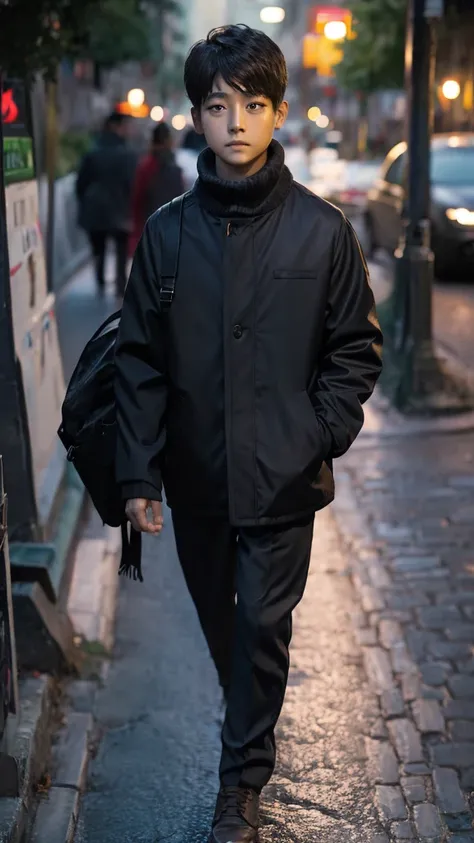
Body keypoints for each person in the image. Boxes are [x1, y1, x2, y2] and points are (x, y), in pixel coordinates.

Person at [114, 24, 382, 843]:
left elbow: (354, 348)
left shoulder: (322, 230)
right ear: (197, 115)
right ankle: (248, 732)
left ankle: (240, 787)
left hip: (282, 477)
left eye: (253, 105)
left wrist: (316, 429)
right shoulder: (167, 233)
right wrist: (137, 478)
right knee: (224, 624)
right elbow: (141, 360)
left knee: (263, 625)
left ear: (277, 112)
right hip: (195, 477)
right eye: (219, 105)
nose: (236, 121)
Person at [76, 112, 137, 296]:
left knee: (98, 248)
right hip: (120, 207)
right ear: (116, 127)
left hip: (95, 208)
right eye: (125, 126)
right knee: (120, 248)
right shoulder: (127, 153)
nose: (128, 130)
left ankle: (100, 282)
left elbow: (81, 183)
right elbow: (132, 183)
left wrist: (84, 202)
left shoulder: (93, 151)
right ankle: (120, 285)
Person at [129, 121, 184, 256]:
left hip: (150, 229)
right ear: (168, 141)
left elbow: (137, 199)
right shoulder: (175, 167)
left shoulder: (146, 166)